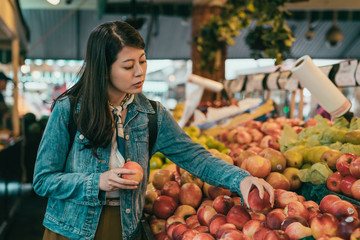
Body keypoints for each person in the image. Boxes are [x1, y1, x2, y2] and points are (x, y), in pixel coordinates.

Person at [33, 21, 274, 240]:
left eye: (143, 60)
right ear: (104, 69)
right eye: (128, 66)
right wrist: (97, 182)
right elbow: (43, 180)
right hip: (69, 231)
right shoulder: (69, 109)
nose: (140, 72)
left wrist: (241, 178)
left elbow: (196, 158)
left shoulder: (152, 115)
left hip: (125, 230)